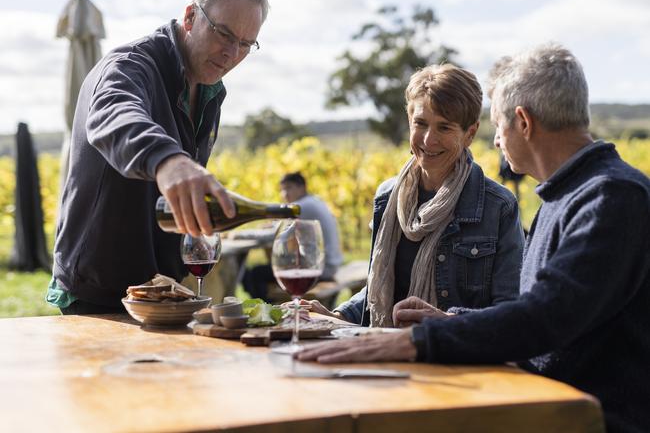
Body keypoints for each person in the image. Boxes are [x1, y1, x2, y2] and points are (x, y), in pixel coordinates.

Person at [297, 43, 650, 433]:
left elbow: (546, 318)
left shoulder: (612, 196)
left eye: (497, 126)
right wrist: (447, 321)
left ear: (523, 123)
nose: (497, 142)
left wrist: (422, 338)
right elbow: (537, 315)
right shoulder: (566, 196)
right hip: (541, 408)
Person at [46, 0, 269, 315]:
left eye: (245, 44)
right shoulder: (130, 65)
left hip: (161, 290)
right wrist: (169, 160)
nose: (231, 53)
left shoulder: (211, 92)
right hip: (99, 291)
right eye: (224, 34)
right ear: (191, 15)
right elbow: (114, 114)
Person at [309, 64, 525, 325]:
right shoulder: (388, 197)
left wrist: (446, 321)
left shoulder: (497, 206)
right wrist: (337, 315)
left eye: (444, 128)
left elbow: (511, 313)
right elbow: (381, 287)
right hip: (385, 352)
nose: (428, 140)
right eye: (420, 124)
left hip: (456, 360)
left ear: (470, 133)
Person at [242, 171, 343, 301]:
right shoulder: (315, 201)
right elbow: (283, 228)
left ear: (302, 187)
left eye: (289, 188)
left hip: (321, 268)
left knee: (254, 274)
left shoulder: (301, 206)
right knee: (264, 271)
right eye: (282, 190)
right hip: (330, 265)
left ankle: (269, 310)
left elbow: (274, 235)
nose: (284, 194)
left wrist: (236, 235)